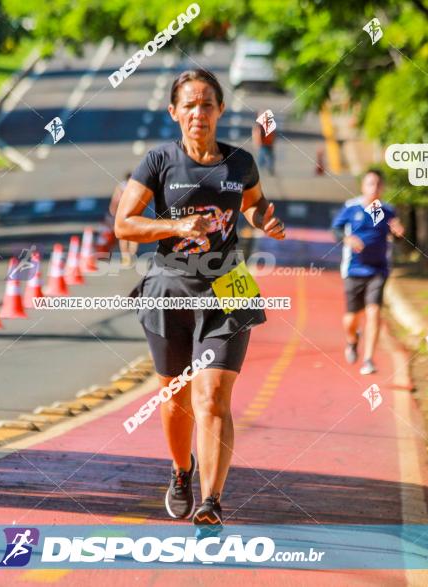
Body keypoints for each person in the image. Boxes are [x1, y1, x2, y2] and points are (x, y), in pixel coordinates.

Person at [114, 69, 286, 527]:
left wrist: (262, 220)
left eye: (207, 104)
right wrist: (174, 226)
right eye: (189, 105)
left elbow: (251, 204)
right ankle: (181, 469)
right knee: (176, 399)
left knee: (213, 397)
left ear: (220, 111)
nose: (198, 113)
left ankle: (211, 501)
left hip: (228, 289)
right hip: (170, 289)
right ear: (174, 112)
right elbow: (124, 224)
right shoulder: (158, 162)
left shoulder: (240, 163)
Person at [331, 170, 404, 375]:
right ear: (363, 187)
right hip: (353, 270)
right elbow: (336, 230)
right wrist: (348, 239)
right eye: (370, 184)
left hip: (378, 270)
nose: (375, 188)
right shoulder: (351, 208)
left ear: (382, 188)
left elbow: (397, 235)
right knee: (351, 319)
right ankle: (352, 339)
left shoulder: (388, 211)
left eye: (378, 184)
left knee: (374, 312)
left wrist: (399, 234)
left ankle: (369, 359)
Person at [107, 172, 139, 266]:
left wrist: (113, 211)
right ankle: (131, 255)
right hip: (134, 213)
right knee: (134, 237)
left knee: (123, 237)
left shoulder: (121, 187)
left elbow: (115, 200)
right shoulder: (137, 186)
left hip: (122, 214)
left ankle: (126, 257)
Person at [251, 110, 275, 175]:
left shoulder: (263, 125)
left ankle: (267, 167)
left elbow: (273, 134)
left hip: (267, 143)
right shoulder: (260, 125)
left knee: (268, 156)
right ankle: (264, 167)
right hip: (265, 143)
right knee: (265, 156)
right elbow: (256, 135)